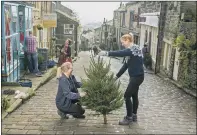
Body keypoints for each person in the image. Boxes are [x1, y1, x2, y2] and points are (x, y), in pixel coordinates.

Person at [98, 33, 144, 125]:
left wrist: (107, 53)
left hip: (137, 77)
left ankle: (129, 117)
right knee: (134, 96)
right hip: (136, 77)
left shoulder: (134, 49)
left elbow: (120, 53)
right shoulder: (131, 51)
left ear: (127, 40)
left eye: (123, 42)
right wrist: (116, 77)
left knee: (127, 95)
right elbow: (126, 65)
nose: (122, 44)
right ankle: (134, 115)